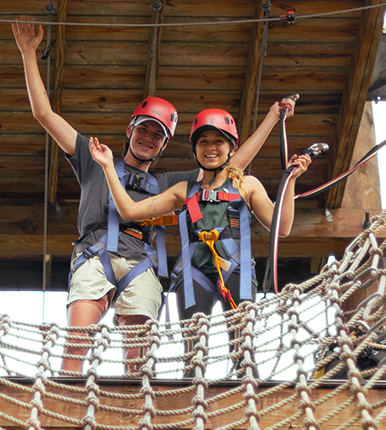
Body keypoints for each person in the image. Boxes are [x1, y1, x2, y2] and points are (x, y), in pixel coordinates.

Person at [12, 17, 289, 375]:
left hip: (142, 266)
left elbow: (229, 166)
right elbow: (44, 115)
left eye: (157, 135)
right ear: (129, 130)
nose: (148, 138)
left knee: (138, 364)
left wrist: (270, 119)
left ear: (165, 144)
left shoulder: (170, 183)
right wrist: (28, 53)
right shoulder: (95, 159)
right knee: (76, 347)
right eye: (143, 130)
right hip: (96, 255)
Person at [84, 108, 311, 377]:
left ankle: (245, 399)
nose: (211, 148)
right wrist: (109, 167)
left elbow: (281, 228)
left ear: (231, 148)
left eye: (219, 141)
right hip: (193, 275)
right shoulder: (183, 190)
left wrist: (292, 181)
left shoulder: (246, 185)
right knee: (194, 359)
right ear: (194, 151)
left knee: (244, 354)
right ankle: (192, 407)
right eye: (203, 142)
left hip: (236, 269)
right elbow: (129, 212)